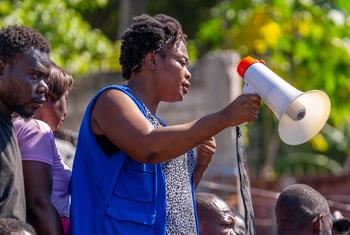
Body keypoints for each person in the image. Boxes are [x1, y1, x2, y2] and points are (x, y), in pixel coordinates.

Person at [70, 14, 260, 235]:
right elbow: (148, 146)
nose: (187, 72)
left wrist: (199, 165)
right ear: (152, 60)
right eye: (182, 62)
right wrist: (224, 117)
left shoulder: (160, 127)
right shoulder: (112, 100)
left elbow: (175, 202)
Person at [13, 62, 74, 235]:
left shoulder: (15, 126)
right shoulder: (37, 129)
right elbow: (39, 203)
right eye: (66, 98)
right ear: (47, 96)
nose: (66, 112)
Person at [0, 25, 50, 222]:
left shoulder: (7, 123)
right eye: (35, 76)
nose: (45, 87)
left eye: (46, 78)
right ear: (1, 68)